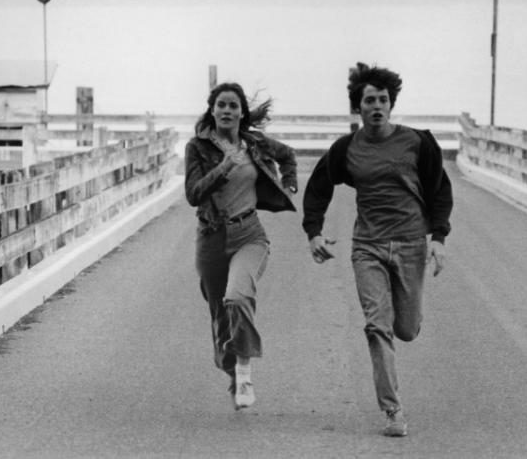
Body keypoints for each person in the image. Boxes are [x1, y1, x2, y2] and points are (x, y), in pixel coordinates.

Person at [302, 62, 453, 437]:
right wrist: (314, 232)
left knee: (406, 329)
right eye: (369, 100)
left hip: (410, 245)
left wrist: (438, 238)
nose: (377, 106)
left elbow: (439, 191)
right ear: (358, 106)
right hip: (367, 247)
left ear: (391, 104)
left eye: (383, 100)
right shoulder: (347, 149)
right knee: (376, 326)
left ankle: (407, 325)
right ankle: (393, 411)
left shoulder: (418, 143)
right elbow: (319, 186)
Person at [184, 82, 298, 410]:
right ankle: (233, 371)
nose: (227, 111)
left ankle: (246, 371)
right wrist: (225, 167)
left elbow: (287, 155)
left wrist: (289, 182)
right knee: (221, 323)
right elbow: (193, 194)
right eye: (221, 105)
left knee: (237, 297)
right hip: (211, 239)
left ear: (241, 113)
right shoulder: (198, 148)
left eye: (234, 106)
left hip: (250, 234)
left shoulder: (253, 143)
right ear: (212, 109)